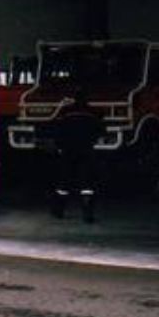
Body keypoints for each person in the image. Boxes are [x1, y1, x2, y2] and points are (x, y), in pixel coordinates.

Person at [50, 89, 104, 222]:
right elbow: (101, 129)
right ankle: (87, 214)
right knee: (87, 182)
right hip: (86, 150)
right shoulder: (93, 113)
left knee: (64, 181)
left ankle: (59, 211)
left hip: (68, 150)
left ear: (73, 99)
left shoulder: (65, 112)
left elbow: (57, 129)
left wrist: (59, 146)